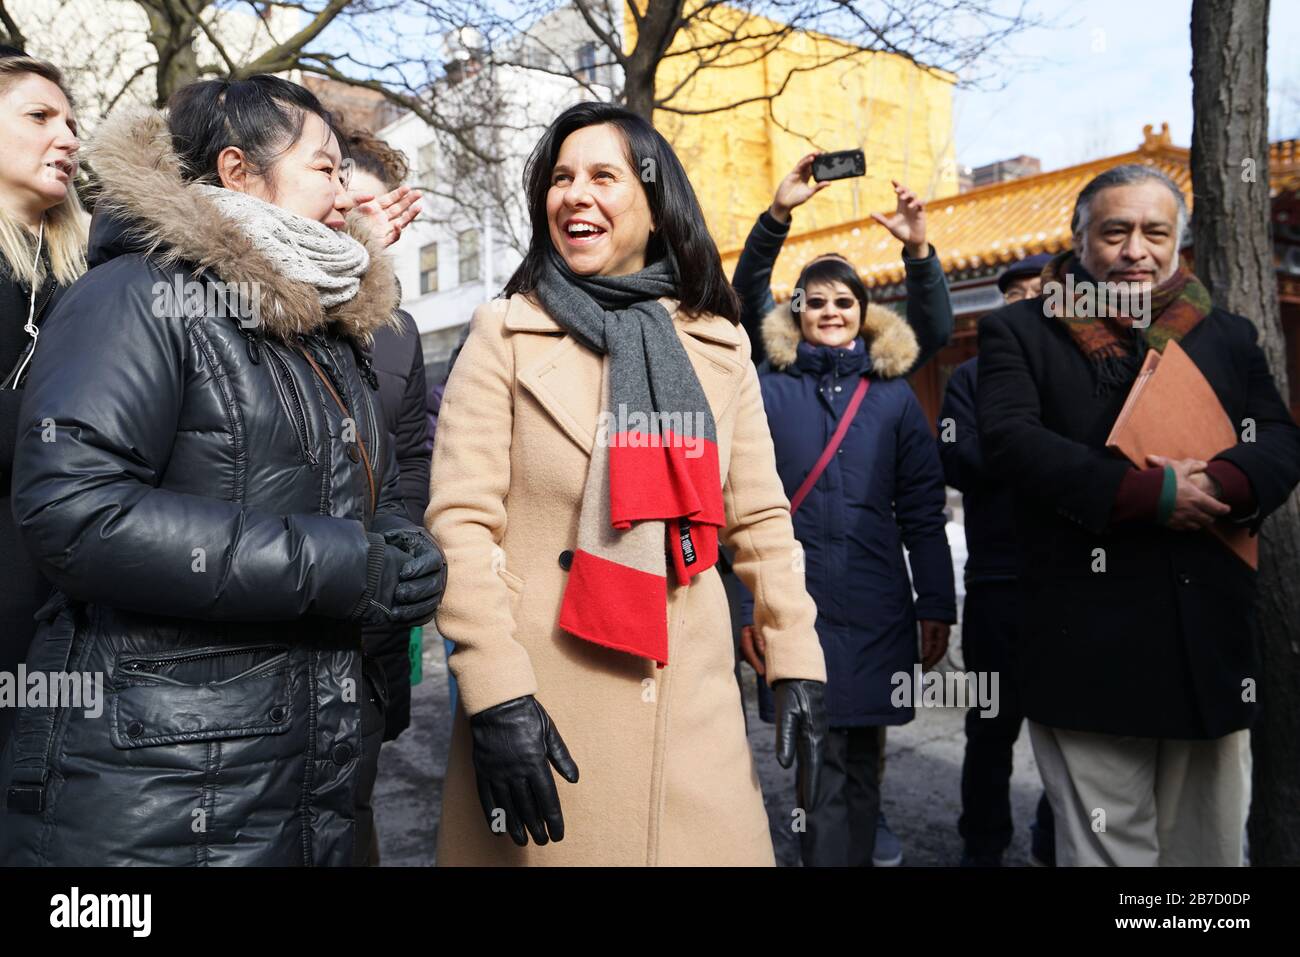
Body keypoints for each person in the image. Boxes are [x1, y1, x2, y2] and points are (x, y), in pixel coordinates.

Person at [0, 76, 444, 866]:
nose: (346, 198)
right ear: (239, 172)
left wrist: (401, 551)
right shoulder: (136, 294)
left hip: (299, 765)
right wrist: (343, 564)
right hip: (161, 782)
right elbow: (75, 512)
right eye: (326, 168)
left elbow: (364, 493)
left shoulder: (321, 323)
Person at [427, 101, 828, 866]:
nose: (574, 193)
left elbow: (761, 519)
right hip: (545, 703)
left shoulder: (719, 343)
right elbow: (461, 526)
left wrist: (795, 652)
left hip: (694, 706)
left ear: (653, 203)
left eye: (603, 176)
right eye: (560, 177)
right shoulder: (503, 334)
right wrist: (496, 690)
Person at [978, 164, 1300, 866]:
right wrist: (1149, 495)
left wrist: (1220, 481)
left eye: (1155, 232)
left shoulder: (1227, 335)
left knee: (1209, 853)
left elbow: (1278, 437)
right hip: (1085, 638)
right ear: (1080, 238)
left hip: (1207, 639)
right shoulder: (1020, 332)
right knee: (1106, 852)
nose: (1135, 250)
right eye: (1115, 231)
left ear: (1178, 241)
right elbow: (1009, 441)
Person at [733, 154, 956, 867]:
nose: (830, 311)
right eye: (816, 300)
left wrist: (937, 607)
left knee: (864, 766)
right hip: (797, 609)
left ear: (864, 316)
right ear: (796, 311)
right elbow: (735, 512)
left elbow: (923, 512)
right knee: (819, 769)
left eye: (844, 302)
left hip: (879, 604)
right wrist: (777, 214)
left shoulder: (892, 397)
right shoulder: (767, 386)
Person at [940, 253, 1055, 868]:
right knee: (990, 726)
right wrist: (1043, 454)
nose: (1028, 300)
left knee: (1069, 727)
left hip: (1070, 583)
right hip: (996, 580)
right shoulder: (968, 378)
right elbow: (959, 458)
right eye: (1016, 293)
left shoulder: (1080, 368)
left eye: (1041, 291)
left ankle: (1053, 839)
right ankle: (981, 844)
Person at [0, 48, 85, 750]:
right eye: (39, 116)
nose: (67, 137)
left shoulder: (96, 269)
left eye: (72, 122)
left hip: (65, 591)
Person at [338, 123, 429, 745]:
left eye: (380, 208)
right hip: (295, 596)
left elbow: (412, 453)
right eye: (354, 205)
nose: (368, 220)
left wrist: (402, 546)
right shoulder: (278, 304)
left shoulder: (400, 332)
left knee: (356, 804)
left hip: (377, 611)